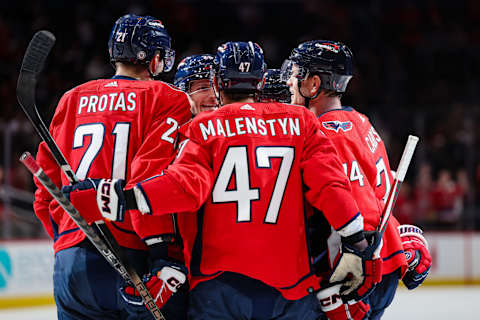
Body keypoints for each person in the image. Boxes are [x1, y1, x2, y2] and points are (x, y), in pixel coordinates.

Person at [64, 41, 384, 320]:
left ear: (217, 82)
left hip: (218, 286)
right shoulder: (300, 122)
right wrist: (356, 243)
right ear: (262, 80)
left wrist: (120, 196)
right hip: (290, 288)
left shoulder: (202, 128)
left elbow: (182, 188)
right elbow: (331, 188)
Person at [33, 14, 191, 319]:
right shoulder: (168, 98)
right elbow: (150, 175)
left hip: (71, 258)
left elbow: (45, 187)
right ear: (154, 58)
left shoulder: (72, 98)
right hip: (131, 251)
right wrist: (161, 254)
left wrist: (63, 237)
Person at [281, 40, 432, 319]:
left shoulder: (326, 132)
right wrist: (399, 248)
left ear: (314, 84)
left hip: (354, 273)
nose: (290, 81)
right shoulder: (360, 121)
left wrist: (358, 264)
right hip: (377, 265)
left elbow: (362, 212)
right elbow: (378, 197)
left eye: (296, 74)